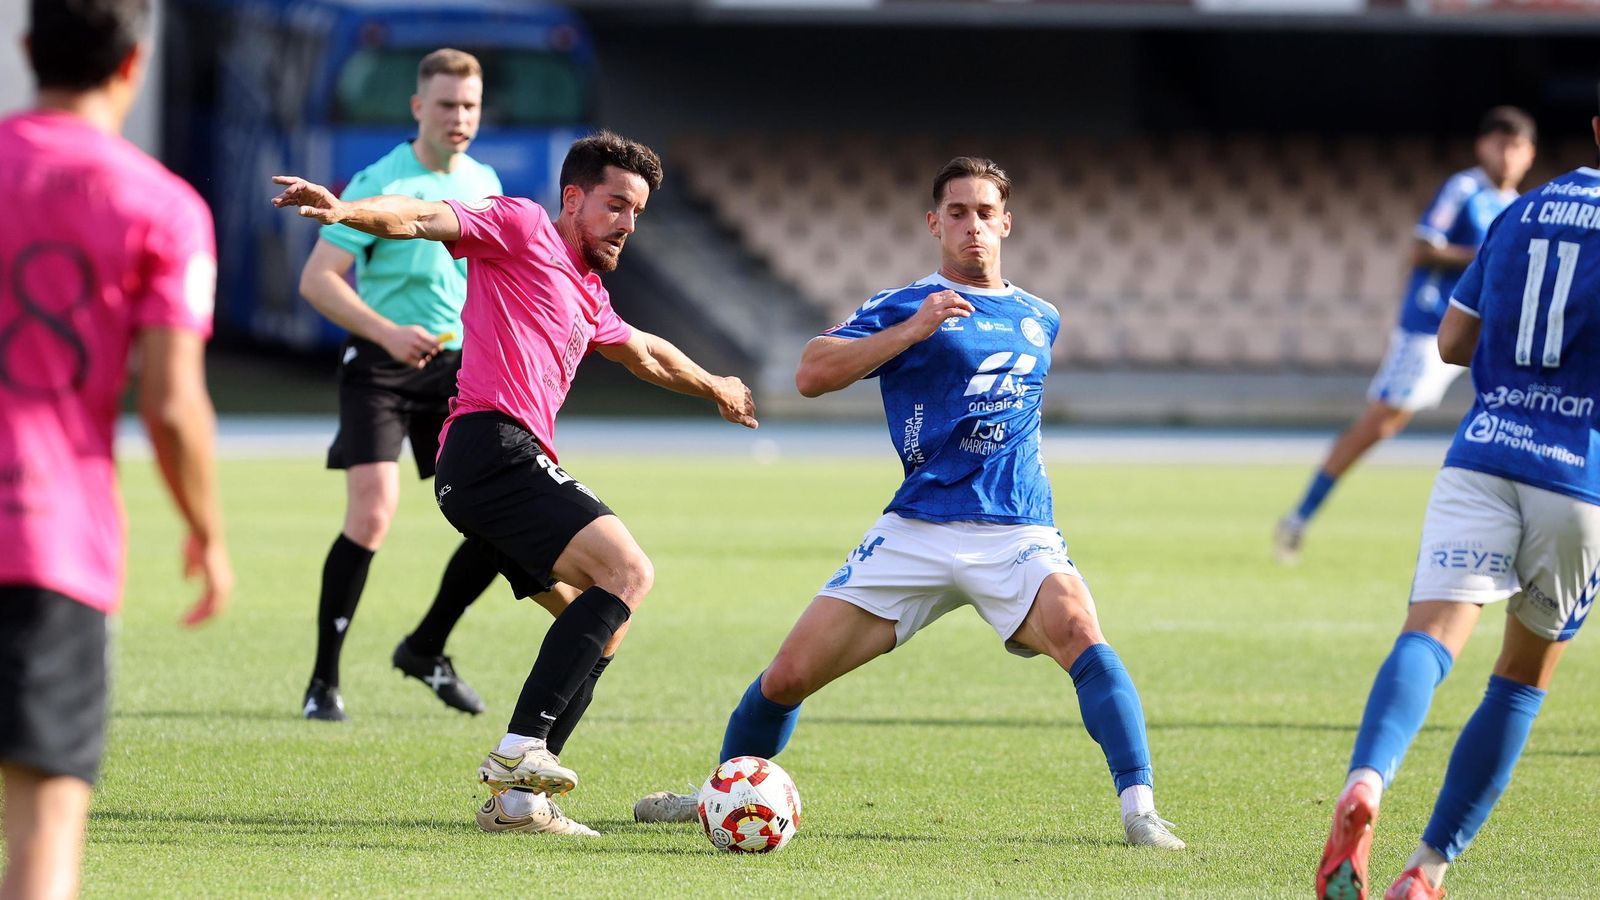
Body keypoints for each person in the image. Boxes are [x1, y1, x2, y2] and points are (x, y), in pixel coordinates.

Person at [633, 157, 1185, 851]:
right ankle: (720, 794)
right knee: (789, 675)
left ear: (1006, 223)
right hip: (916, 529)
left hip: (1017, 532)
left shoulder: (1040, 317)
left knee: (1081, 632)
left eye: (986, 212)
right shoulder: (905, 303)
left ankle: (1141, 811)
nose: (972, 225)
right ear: (934, 224)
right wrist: (913, 331)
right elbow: (809, 374)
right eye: (957, 212)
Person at [270, 131, 757, 836]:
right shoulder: (522, 226)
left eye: (639, 212)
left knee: (600, 625)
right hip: (490, 447)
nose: (627, 223)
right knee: (627, 571)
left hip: (491, 468)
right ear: (573, 198)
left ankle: (519, 802)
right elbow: (421, 216)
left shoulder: (589, 291)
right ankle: (520, 747)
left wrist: (715, 384)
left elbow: (645, 352)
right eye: (616, 204)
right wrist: (346, 213)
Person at [1316, 109, 1600, 900]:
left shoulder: (1519, 209)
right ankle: (1428, 870)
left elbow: (1451, 343)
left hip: (1483, 454)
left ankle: (1367, 780)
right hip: (1579, 476)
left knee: (1430, 636)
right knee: (1520, 677)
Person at [0, 0, 232, 895]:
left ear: (26, 53)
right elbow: (172, 404)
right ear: (132, 67)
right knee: (42, 843)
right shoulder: (163, 208)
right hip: (48, 541)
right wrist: (205, 533)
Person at [298, 48, 506, 723]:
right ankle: (323, 683)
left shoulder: (486, 181)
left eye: (469, 106)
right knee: (372, 512)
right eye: (446, 105)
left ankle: (427, 648)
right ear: (419, 107)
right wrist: (386, 332)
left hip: (456, 370)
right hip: (381, 367)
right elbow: (317, 279)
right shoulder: (379, 179)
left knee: (497, 513)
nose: (459, 117)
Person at [1277, 108, 1538, 563]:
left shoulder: (1517, 205)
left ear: (1529, 154)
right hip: (1432, 326)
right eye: (1499, 143)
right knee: (1382, 423)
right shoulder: (1464, 189)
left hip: (1485, 333)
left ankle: (1512, 531)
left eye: (1516, 146)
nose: (1507, 154)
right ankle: (1300, 515)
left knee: (1517, 416)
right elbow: (1422, 248)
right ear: (1482, 146)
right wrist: (1484, 256)